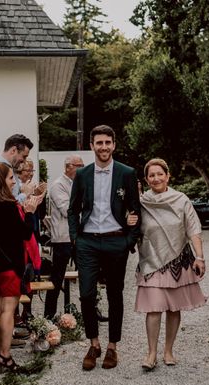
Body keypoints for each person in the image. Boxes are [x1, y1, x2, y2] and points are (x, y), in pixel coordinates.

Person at [68, 124, 141, 370]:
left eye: (107, 142)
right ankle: (94, 343)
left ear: (114, 145)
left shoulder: (127, 173)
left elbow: (135, 209)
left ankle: (112, 347)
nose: (103, 147)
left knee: (115, 294)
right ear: (91, 146)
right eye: (99, 143)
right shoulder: (82, 174)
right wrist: (75, 239)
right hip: (87, 241)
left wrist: (128, 241)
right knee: (86, 294)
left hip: (115, 239)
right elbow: (73, 209)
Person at [131, 158, 206, 370]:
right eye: (151, 175)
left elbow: (193, 229)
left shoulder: (181, 200)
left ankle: (168, 350)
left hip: (177, 261)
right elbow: (132, 229)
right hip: (151, 261)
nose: (156, 178)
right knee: (154, 308)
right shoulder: (141, 202)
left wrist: (199, 257)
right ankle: (151, 353)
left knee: (174, 308)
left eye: (159, 174)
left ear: (168, 175)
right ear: (146, 179)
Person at [0, 162, 42, 372]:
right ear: (0, 181)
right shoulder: (6, 205)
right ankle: (5, 356)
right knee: (8, 309)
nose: (13, 181)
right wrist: (31, 211)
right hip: (10, 262)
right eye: (9, 178)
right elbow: (25, 233)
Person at [44, 155, 85, 319]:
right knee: (57, 278)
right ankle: (49, 315)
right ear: (68, 166)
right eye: (79, 165)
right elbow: (67, 209)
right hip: (63, 238)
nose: (82, 168)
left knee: (88, 274)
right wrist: (86, 205)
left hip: (80, 236)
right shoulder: (57, 185)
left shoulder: (80, 184)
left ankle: (91, 311)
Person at [0, 134, 34, 202]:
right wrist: (25, 194)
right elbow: (5, 204)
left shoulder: (11, 167)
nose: (24, 161)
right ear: (13, 150)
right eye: (24, 156)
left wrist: (24, 187)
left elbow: (15, 191)